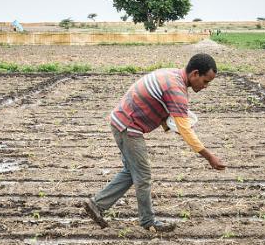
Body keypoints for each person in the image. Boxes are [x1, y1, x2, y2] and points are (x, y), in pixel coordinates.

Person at [84, 53, 225, 232]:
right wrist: (209, 157)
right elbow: (186, 131)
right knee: (142, 176)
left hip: (121, 121)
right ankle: (148, 222)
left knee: (131, 171)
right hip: (129, 127)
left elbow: (161, 108)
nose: (205, 87)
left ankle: (97, 204)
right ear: (195, 74)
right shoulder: (176, 90)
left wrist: (168, 124)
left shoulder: (172, 75)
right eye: (206, 81)